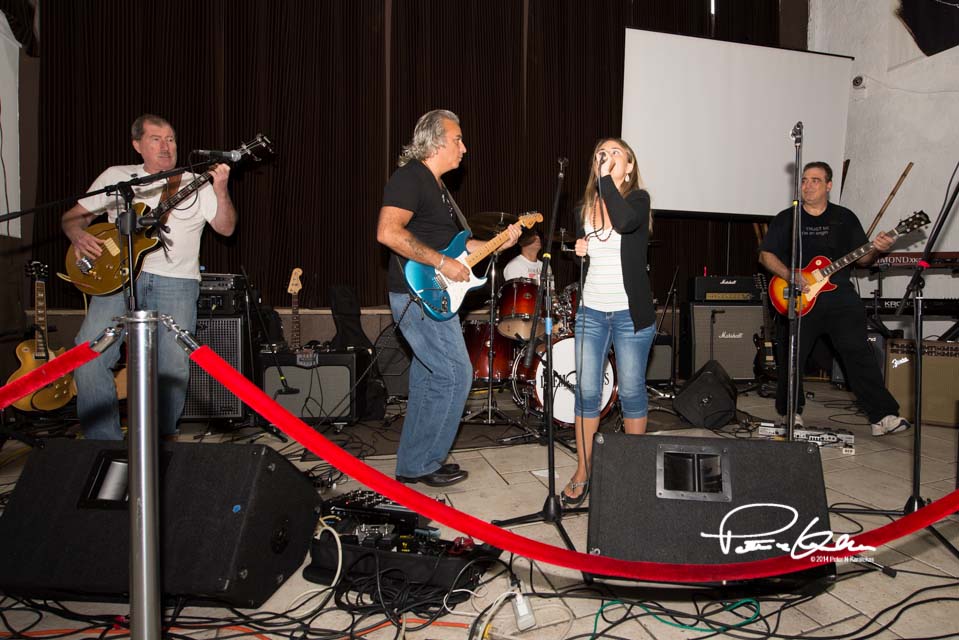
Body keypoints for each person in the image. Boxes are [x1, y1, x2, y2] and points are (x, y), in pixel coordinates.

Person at [63, 114, 236, 441]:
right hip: (118, 279)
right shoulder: (117, 177)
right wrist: (77, 234)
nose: (165, 146)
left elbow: (226, 228)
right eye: (156, 139)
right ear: (137, 145)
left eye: (170, 139)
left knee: (172, 368)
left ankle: (158, 445)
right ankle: (104, 444)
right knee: (88, 354)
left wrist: (221, 189)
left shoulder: (195, 182)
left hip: (176, 282)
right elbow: (73, 218)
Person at [377, 109, 520, 487]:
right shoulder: (411, 177)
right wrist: (441, 262)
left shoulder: (439, 189)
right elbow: (388, 233)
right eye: (458, 140)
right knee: (456, 374)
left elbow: (458, 247)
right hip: (418, 294)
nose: (464, 148)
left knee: (429, 377)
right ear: (436, 142)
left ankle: (414, 463)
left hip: (434, 295)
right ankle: (425, 461)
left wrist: (498, 243)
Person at [759, 161, 909, 437]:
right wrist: (790, 275)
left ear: (828, 185)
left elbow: (863, 259)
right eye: (804, 180)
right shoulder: (787, 218)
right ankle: (792, 413)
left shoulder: (844, 218)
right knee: (792, 356)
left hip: (840, 299)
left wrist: (878, 248)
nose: (807, 186)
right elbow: (766, 255)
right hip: (799, 298)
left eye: (815, 180)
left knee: (858, 353)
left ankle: (882, 416)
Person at [563, 138, 656, 506]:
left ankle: (632, 469)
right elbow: (589, 255)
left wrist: (605, 182)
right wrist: (579, 250)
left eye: (617, 152)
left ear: (629, 167)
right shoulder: (583, 209)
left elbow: (626, 222)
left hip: (630, 314)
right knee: (586, 392)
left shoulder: (638, 200)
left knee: (631, 391)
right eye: (602, 152)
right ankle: (583, 470)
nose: (608, 155)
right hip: (591, 312)